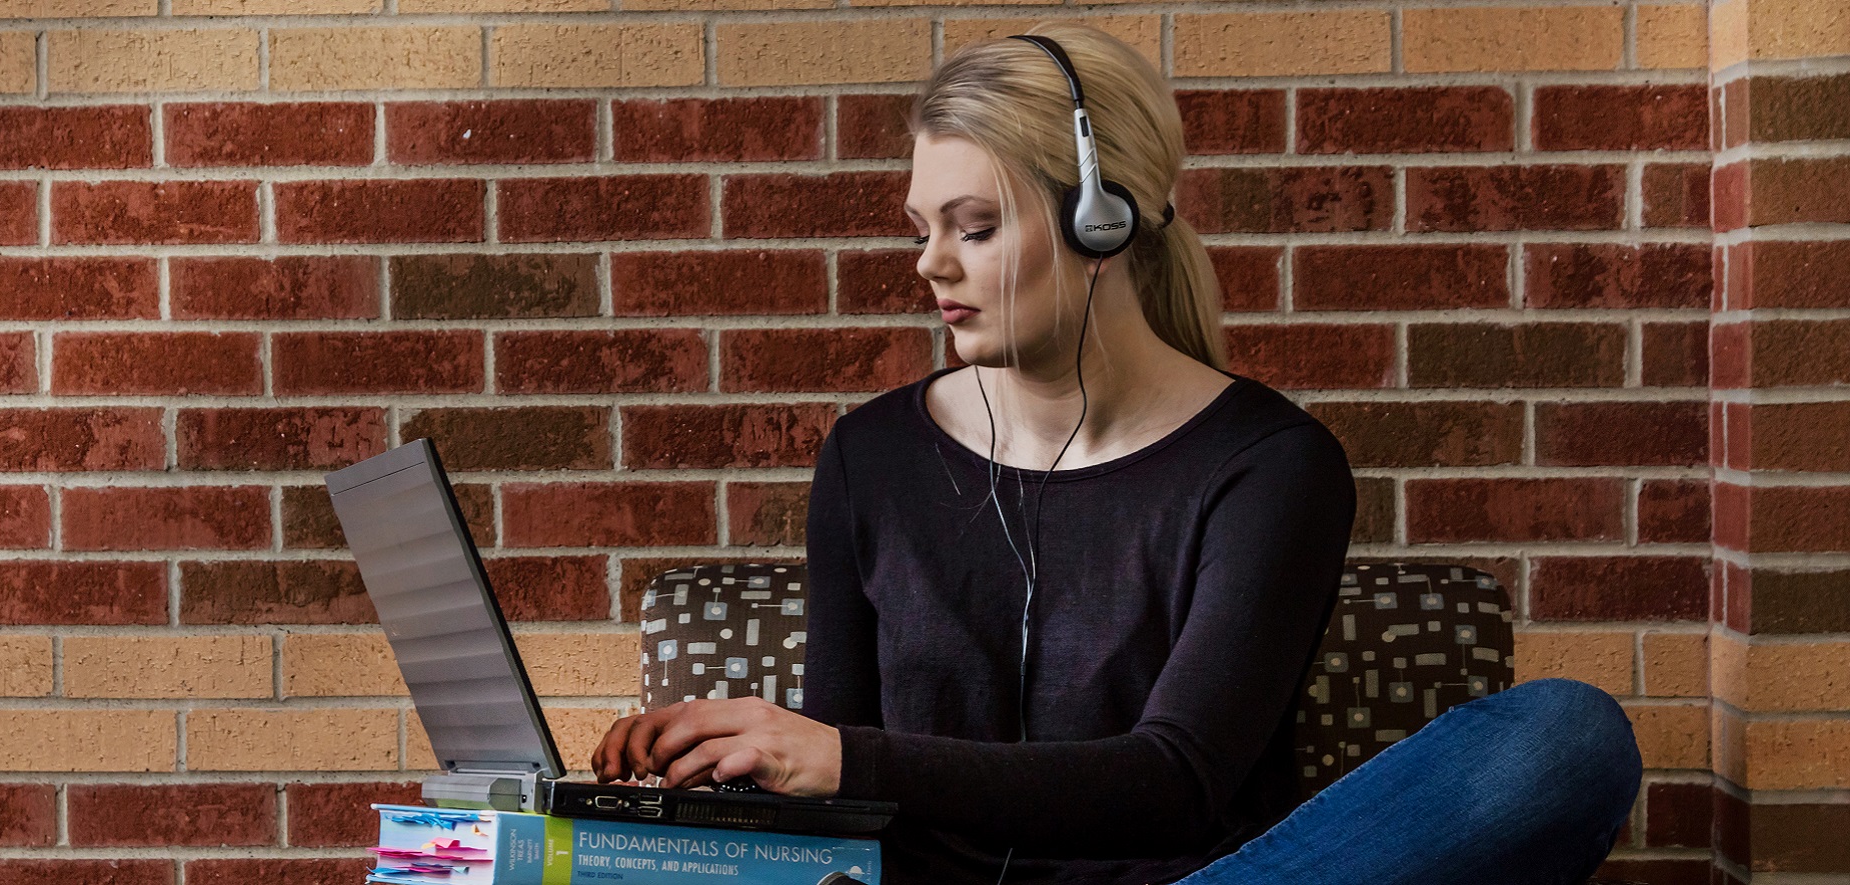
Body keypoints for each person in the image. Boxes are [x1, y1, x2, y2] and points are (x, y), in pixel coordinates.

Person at [593, 22, 1643, 885]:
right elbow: (847, 804)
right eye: (924, 226)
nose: (931, 262)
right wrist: (679, 810)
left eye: (974, 226)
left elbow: (1176, 779)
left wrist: (835, 755)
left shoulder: (1272, 465)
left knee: (1565, 737)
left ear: (1103, 221)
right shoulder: (869, 458)